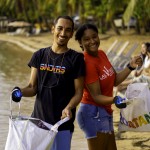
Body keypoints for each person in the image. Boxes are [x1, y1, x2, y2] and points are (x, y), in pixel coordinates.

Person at [11, 16, 85, 150]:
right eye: (60, 28)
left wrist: (69, 107)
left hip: (61, 125)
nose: (63, 33)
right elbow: (32, 87)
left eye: (68, 30)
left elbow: (79, 92)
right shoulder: (39, 55)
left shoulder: (76, 59)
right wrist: (18, 92)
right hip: (38, 125)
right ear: (53, 29)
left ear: (72, 34)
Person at [75, 23, 143, 150]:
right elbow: (96, 96)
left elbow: (115, 80)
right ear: (80, 42)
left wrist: (130, 66)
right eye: (87, 39)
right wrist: (114, 99)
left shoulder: (101, 54)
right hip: (92, 114)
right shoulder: (87, 62)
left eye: (94, 37)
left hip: (104, 112)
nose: (92, 41)